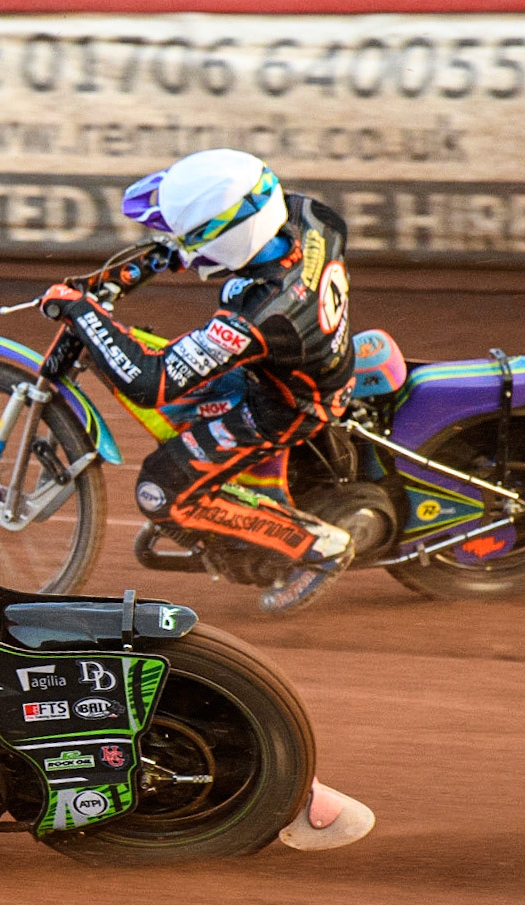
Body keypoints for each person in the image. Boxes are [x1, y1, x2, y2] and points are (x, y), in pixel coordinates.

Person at [38, 148, 358, 613]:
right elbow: (217, 234)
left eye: (193, 238)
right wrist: (142, 265)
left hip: (284, 408)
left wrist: (80, 311)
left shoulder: (261, 313)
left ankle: (317, 546)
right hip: (302, 360)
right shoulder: (310, 215)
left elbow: (151, 382)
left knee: (159, 491)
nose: (186, 246)